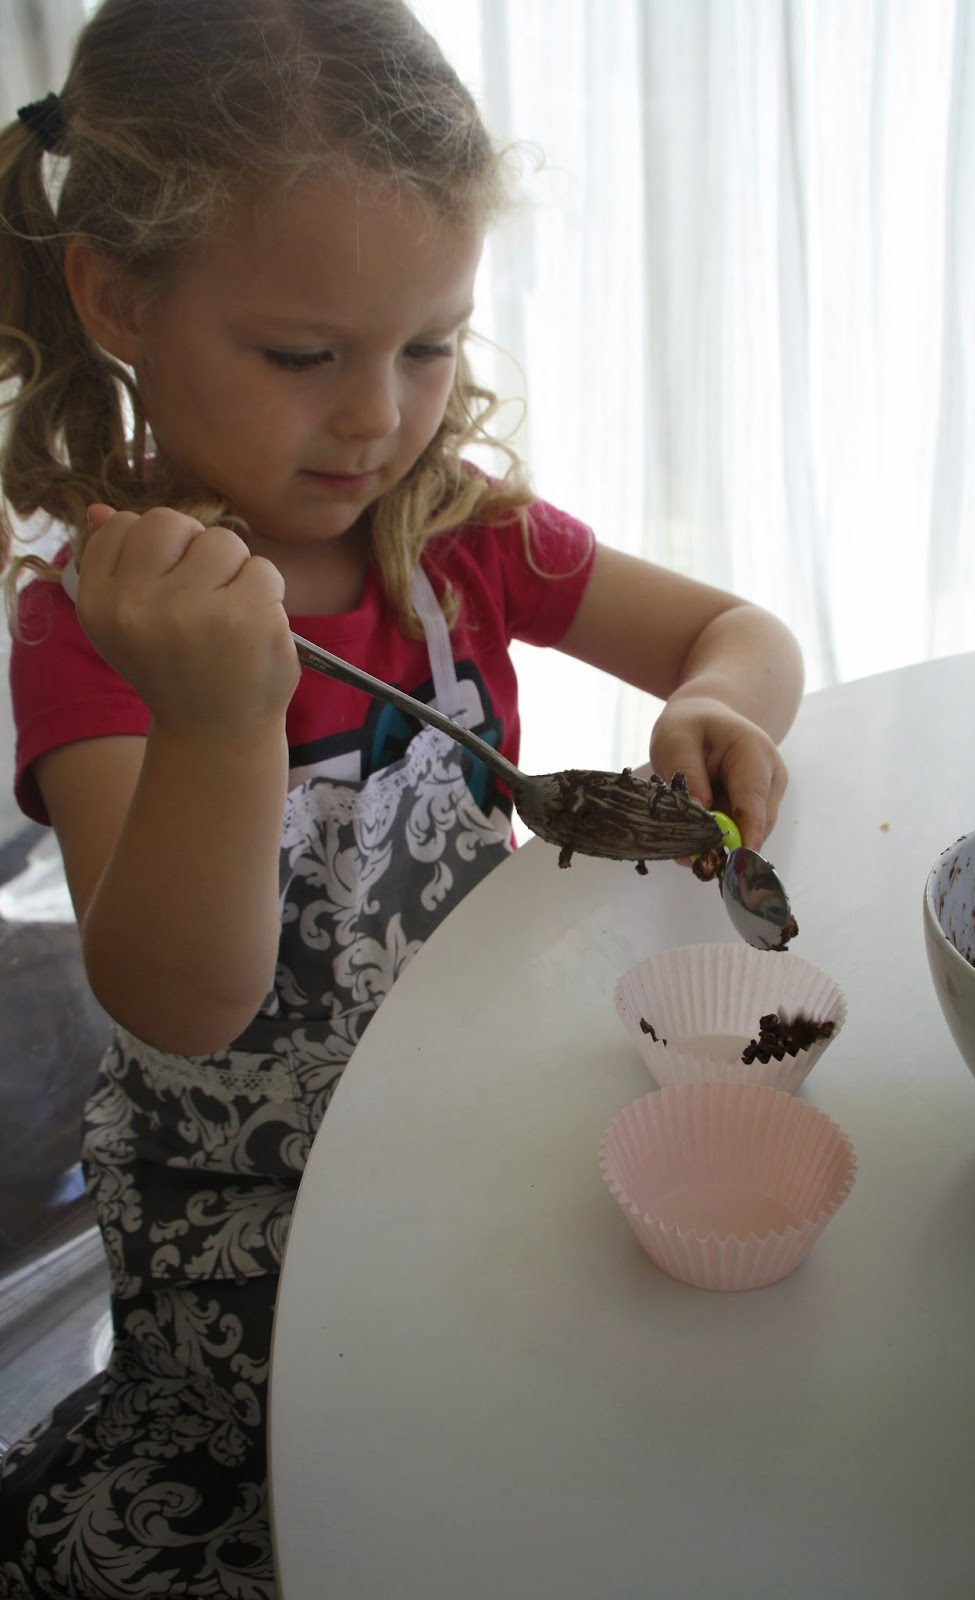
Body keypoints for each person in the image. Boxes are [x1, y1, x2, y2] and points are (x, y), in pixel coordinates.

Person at [0, 1, 804, 1594]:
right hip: (258, 1209)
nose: (378, 414)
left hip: (477, 1116)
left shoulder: (456, 536)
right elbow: (177, 1001)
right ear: (118, 298)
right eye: (302, 356)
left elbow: (735, 632)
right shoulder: (94, 624)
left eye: (428, 345)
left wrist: (714, 703)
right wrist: (220, 718)